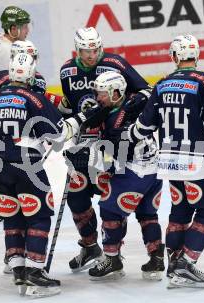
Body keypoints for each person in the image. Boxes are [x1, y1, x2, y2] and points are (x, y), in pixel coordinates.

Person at [0, 53, 106, 296]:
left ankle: (18, 268)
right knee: (39, 216)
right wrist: (83, 117)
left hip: (1, 167)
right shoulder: (33, 98)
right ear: (31, 74)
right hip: (28, 166)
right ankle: (35, 273)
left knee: (12, 216)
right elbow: (58, 134)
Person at [128, 34, 204, 288]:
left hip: (170, 162)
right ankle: (186, 263)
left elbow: (144, 126)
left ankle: (174, 262)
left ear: (173, 57)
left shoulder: (161, 85)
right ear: (197, 55)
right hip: (199, 161)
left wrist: (127, 135)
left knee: (181, 210)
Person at [59, 26, 153, 273]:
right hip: (83, 141)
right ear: (76, 50)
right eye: (85, 51)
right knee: (76, 193)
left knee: (110, 196)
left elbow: (146, 91)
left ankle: (114, 254)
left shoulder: (115, 63)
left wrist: (126, 110)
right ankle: (90, 247)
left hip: (113, 139)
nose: (91, 55)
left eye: (95, 50)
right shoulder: (67, 71)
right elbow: (69, 107)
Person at [81, 71, 164, 281]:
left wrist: (88, 156)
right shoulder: (127, 105)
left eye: (102, 94)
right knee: (147, 214)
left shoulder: (125, 117)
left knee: (109, 210)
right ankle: (156, 258)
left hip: (136, 171)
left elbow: (119, 151)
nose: (97, 98)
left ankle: (112, 259)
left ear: (116, 92)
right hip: (153, 171)